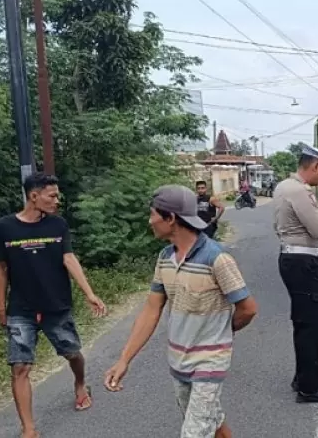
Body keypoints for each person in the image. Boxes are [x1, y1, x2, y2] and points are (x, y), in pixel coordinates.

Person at [104, 185, 258, 438]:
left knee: (194, 432)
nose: (149, 220)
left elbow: (248, 309)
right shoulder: (165, 258)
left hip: (210, 362)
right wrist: (124, 359)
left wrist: (222, 331)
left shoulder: (216, 259)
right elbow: (151, 310)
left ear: (170, 218)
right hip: (179, 360)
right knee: (212, 419)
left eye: (153, 214)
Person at [0, 172, 107, 438]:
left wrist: (90, 293)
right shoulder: (4, 227)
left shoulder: (58, 225)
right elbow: (1, 267)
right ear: (34, 196)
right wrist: (1, 306)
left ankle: (80, 384)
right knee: (20, 367)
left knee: (72, 353)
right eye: (52, 195)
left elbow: (69, 258)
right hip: (21, 310)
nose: (57, 200)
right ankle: (29, 430)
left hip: (56, 306)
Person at [272, 144, 318, 403]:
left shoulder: (283, 187)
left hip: (293, 259)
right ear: (315, 166)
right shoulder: (300, 191)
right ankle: (309, 388)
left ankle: (304, 377)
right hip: (301, 262)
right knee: (312, 324)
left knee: (305, 322)